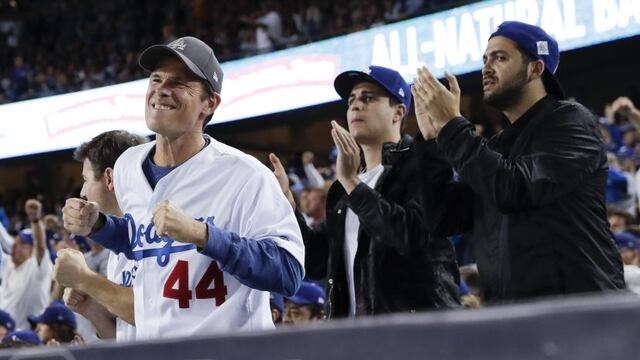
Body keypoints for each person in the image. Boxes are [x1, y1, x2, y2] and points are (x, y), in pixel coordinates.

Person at [60, 36, 305, 340]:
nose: (161, 89)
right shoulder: (127, 166)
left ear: (209, 103)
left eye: (179, 83)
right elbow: (147, 240)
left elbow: (288, 272)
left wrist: (202, 234)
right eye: (156, 79)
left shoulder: (246, 175)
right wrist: (99, 226)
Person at [412, 21, 625, 301]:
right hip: (514, 316)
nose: (486, 67)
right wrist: (432, 143)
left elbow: (514, 189)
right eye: (485, 59)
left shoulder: (570, 121)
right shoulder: (496, 147)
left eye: (500, 57)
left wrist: (453, 125)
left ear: (535, 69)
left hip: (577, 312)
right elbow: (443, 218)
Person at [270, 65, 460, 318]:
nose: (356, 106)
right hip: (356, 337)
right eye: (351, 101)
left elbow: (410, 237)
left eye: (368, 98)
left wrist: (352, 183)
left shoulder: (422, 165)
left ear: (398, 112)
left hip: (415, 334)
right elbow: (316, 261)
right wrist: (288, 207)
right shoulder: (342, 188)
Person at [54, 130, 146, 342]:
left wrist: (86, 280)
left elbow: (156, 313)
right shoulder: (116, 250)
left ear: (109, 177)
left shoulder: (158, 231)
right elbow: (123, 339)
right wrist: (90, 310)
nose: (83, 191)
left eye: (86, 179)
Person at [0, 199, 51, 329]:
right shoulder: (8, 265)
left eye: (21, 243)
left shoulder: (37, 268)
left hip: (28, 340)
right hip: (4, 338)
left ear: (31, 249)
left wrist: (35, 220)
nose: (14, 246)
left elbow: (40, 246)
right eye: (15, 242)